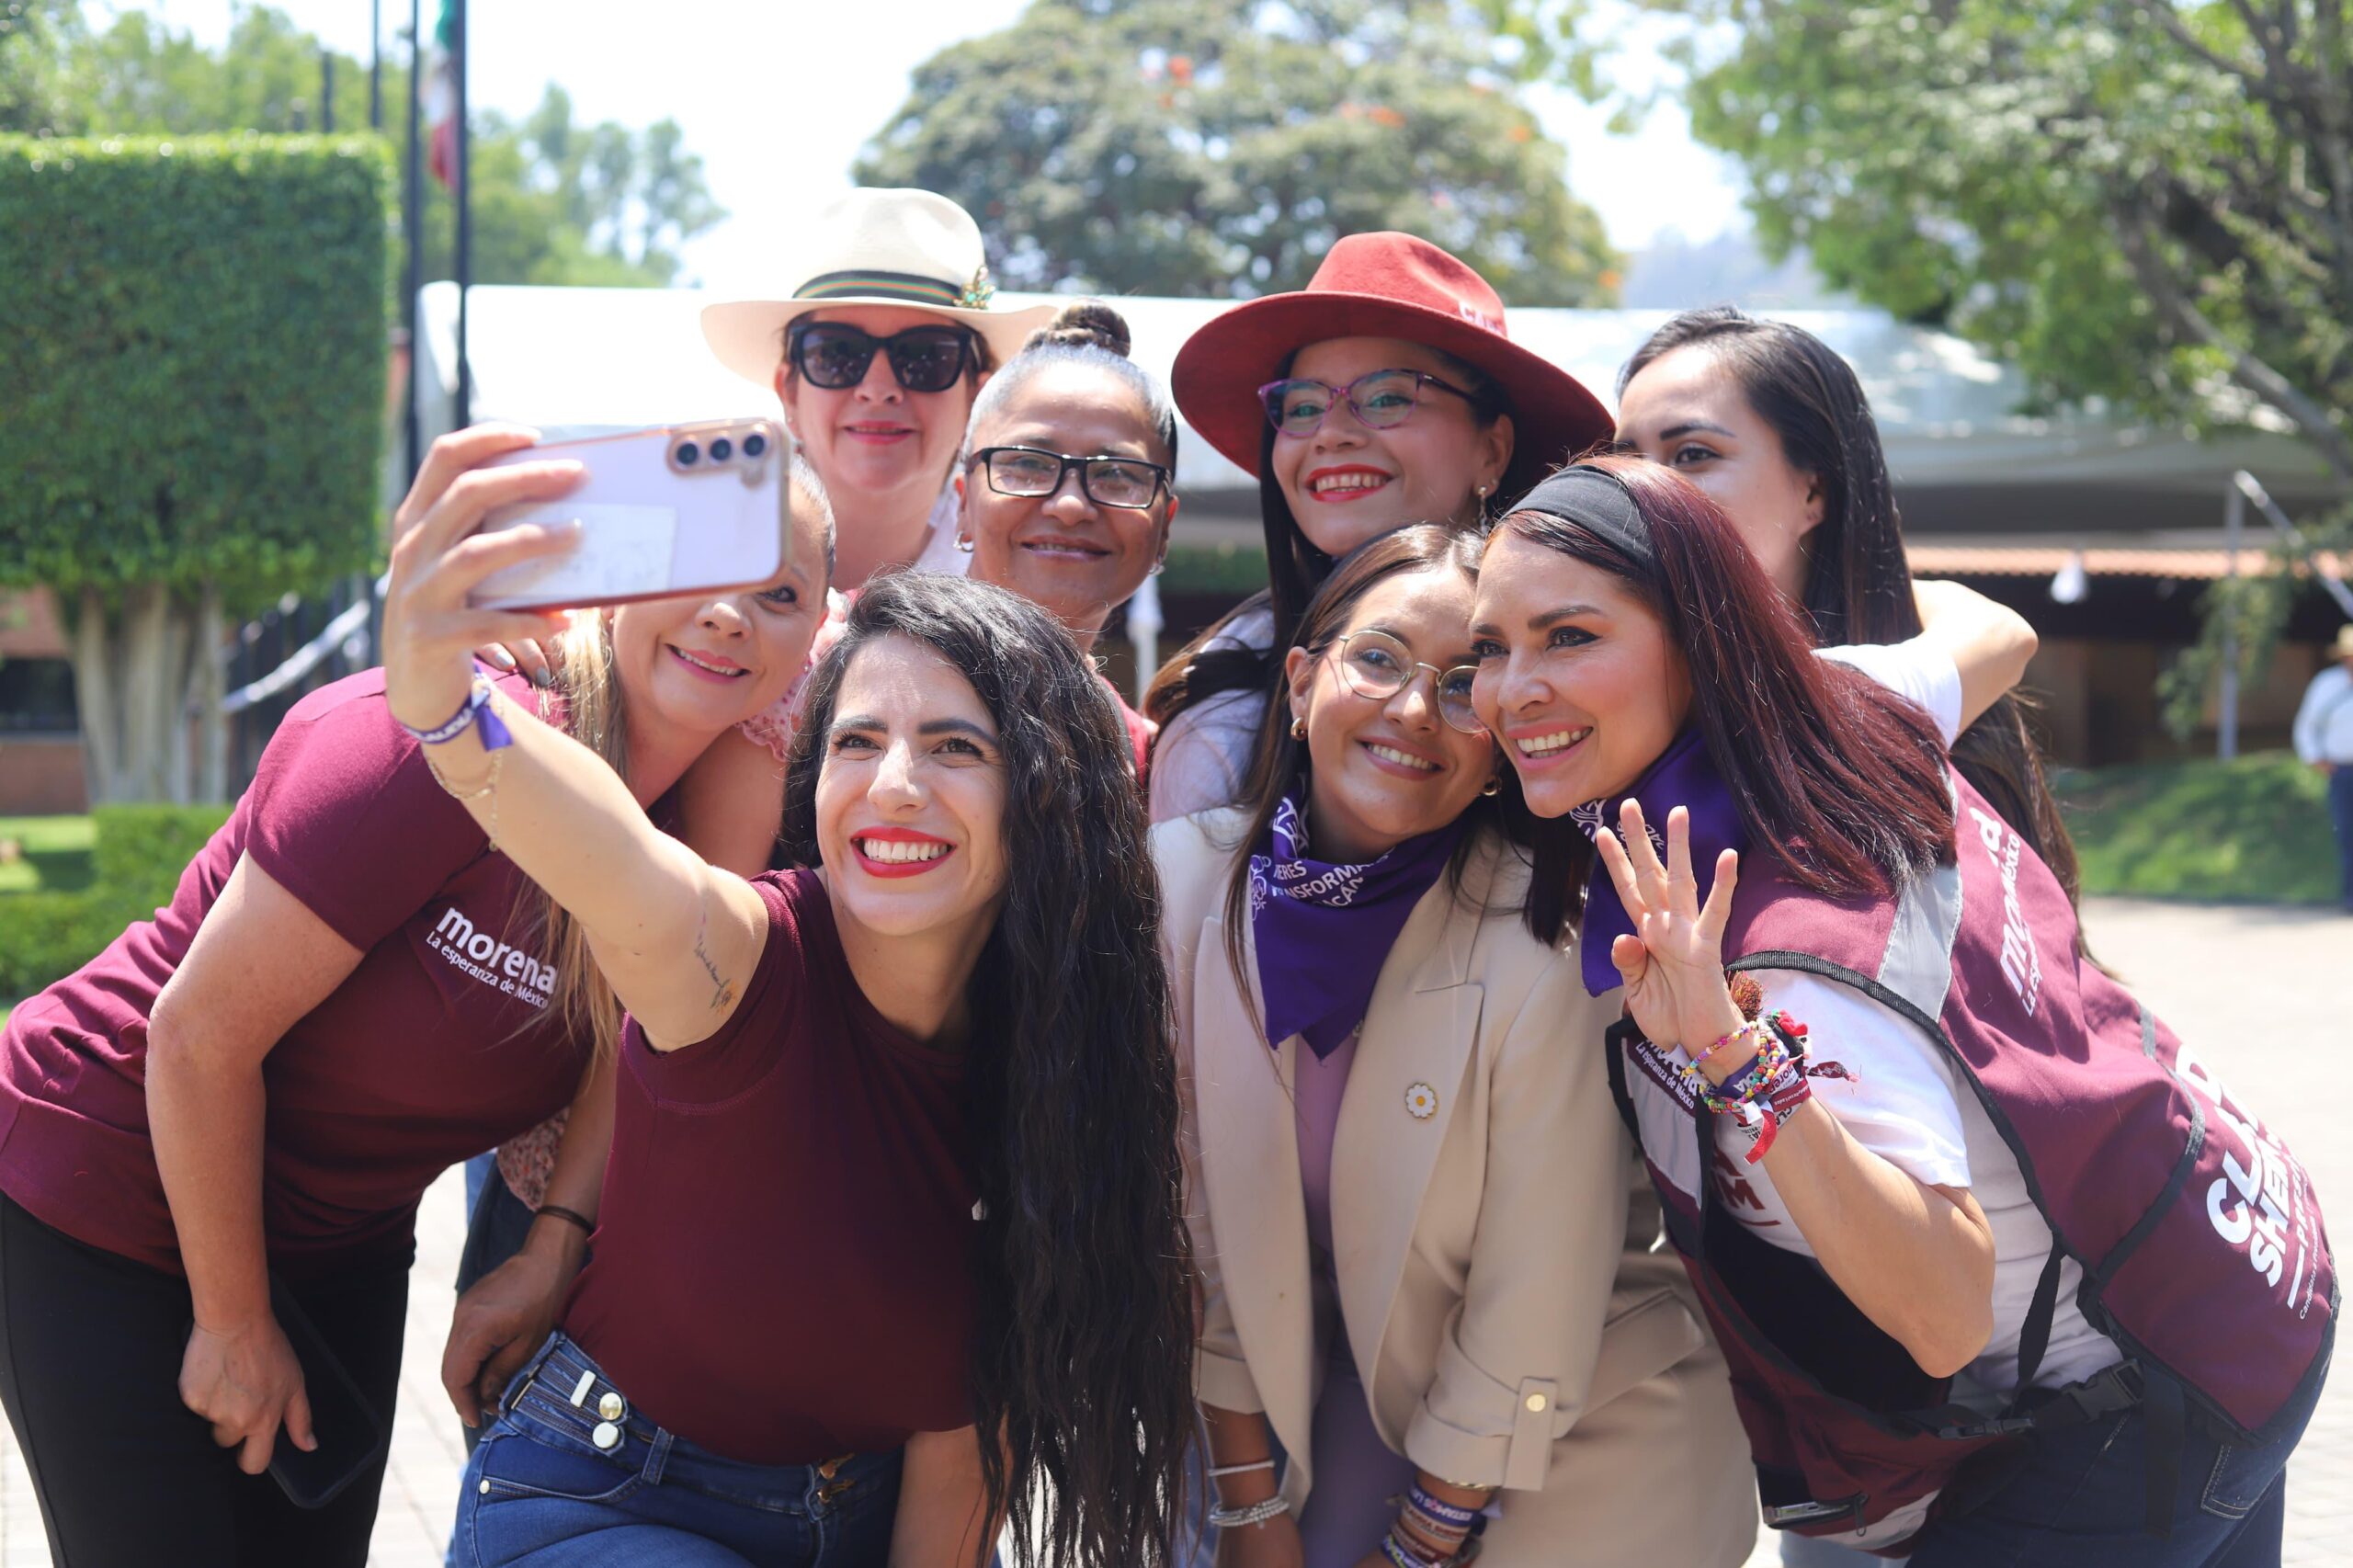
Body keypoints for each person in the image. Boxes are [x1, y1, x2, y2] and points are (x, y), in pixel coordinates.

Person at [1470, 457, 2334, 1567]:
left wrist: (1733, 1056)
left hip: (2136, 1393)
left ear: (1702, 637)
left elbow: (1941, 1313)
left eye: (1570, 636)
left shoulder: (1782, 961)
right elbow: (1995, 632)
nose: (1511, 689)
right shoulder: (1836, 699)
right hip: (2240, 1266)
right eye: (1489, 645)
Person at [0, 426, 831, 1567]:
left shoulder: (694, 839)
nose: (732, 614)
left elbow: (627, 1041)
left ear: (812, 640)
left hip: (340, 1235)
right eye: (701, 566)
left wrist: (553, 1241)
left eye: (781, 591)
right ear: (622, 567)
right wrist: (234, 1323)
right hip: (108, 1179)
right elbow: (193, 1036)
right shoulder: (446, 735)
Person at [384, 429, 1195, 1567]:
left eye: (956, 745)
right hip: (610, 1498)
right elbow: (613, 853)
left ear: (1046, 797)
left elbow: (959, 1460)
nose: (894, 787)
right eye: (858, 740)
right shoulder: (738, 957)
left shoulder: (1062, 1062)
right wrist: (439, 696)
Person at [1167, 526, 1756, 1568]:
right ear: (1301, 685)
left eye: (1456, 686)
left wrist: (1418, 1545)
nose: (1409, 712)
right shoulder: (1177, 889)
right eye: (1379, 660)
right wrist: (1249, 1509)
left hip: (1580, 1418)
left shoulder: (1551, 938)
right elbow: (1194, 1231)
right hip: (1348, 1386)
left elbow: (1536, 1288)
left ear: (1496, 744)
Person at [1615, 306, 2081, 918]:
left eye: (1693, 454)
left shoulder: (1912, 702)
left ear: (1815, 489)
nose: (1642, 488)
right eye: (1624, 460)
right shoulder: (1595, 684)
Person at [1143, 232, 1613, 823]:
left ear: (1492, 450)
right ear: (1300, 683)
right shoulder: (1225, 701)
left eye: (1389, 397)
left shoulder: (1599, 664)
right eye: (1303, 406)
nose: (1331, 431)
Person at [955, 300, 1180, 777]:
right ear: (963, 504)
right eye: (1028, 464)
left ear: (1164, 529)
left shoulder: (1151, 763)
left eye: (1118, 474)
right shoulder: (837, 662)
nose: (1072, 506)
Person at [2291, 622, 2353, 913]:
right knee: (2347, 834)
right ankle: (2349, 895)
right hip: (2341, 770)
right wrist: (2317, 758)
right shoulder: (2327, 684)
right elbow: (2307, 727)